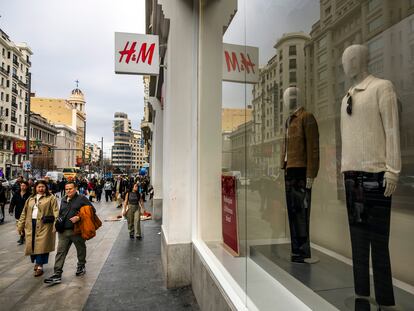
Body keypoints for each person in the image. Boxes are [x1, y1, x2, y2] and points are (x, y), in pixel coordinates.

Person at [44, 181, 93, 285]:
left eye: (70, 189)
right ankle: (57, 274)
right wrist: (56, 225)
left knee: (80, 249)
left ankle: (81, 265)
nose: (68, 191)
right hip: (63, 231)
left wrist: (79, 217)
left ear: (75, 189)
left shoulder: (82, 198)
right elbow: (61, 213)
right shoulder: (63, 199)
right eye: (66, 189)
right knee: (60, 252)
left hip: (76, 230)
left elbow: (92, 210)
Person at [16, 180, 59, 277]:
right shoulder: (30, 199)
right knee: (33, 244)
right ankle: (36, 262)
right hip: (31, 224)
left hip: (45, 225)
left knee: (42, 245)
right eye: (39, 187)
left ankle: (40, 266)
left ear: (46, 188)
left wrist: (56, 224)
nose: (41, 189)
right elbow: (24, 213)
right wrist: (20, 225)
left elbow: (56, 212)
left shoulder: (51, 198)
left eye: (43, 187)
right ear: (35, 188)